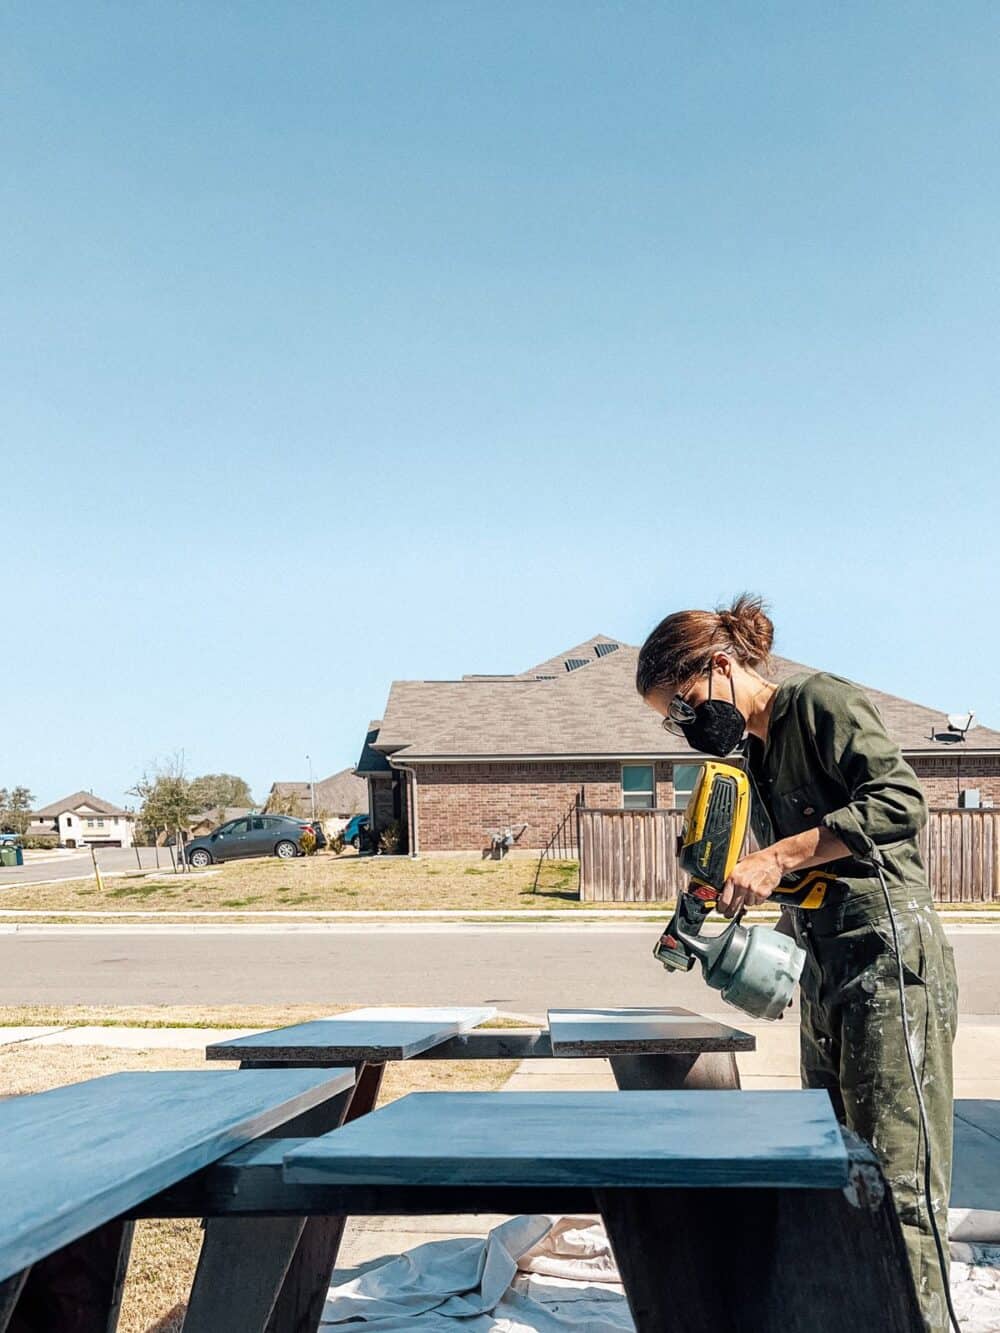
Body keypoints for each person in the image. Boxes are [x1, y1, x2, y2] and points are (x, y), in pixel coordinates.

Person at [636, 593, 958, 1333]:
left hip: (887, 960)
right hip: (823, 961)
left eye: (683, 705)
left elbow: (902, 800)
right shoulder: (750, 755)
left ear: (720, 664)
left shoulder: (817, 703)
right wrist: (731, 888)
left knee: (899, 1179)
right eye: (671, 720)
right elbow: (794, 863)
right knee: (837, 1169)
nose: (685, 727)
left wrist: (779, 854)